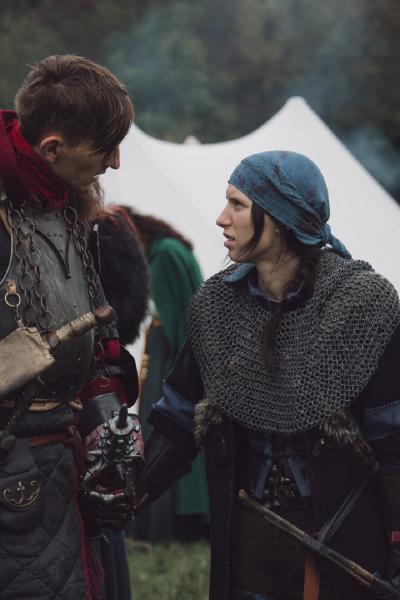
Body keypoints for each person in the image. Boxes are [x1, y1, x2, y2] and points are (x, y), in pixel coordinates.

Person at [135, 150, 400, 600]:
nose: (221, 218)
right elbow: (176, 424)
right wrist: (125, 497)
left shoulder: (361, 306)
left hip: (340, 547)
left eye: (237, 204)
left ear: (279, 219)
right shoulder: (216, 308)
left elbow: (394, 443)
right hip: (249, 544)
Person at [0, 55, 139, 600]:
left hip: (62, 463)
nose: (116, 163)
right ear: (54, 147)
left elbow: (97, 340)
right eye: (105, 147)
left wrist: (108, 428)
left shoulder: (65, 206)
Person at [120, 207, 209, 542]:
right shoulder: (168, 250)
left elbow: (178, 320)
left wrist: (173, 369)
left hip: (169, 356)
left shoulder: (165, 255)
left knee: (165, 428)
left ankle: (166, 524)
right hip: (169, 351)